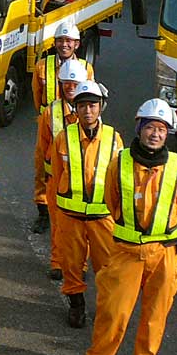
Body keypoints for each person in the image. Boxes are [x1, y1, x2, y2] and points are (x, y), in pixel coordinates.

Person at [67, 99, 177, 355]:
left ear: (167, 134)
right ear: (139, 128)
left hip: (165, 252)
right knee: (113, 311)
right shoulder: (119, 162)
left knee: (155, 313)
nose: (155, 134)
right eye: (150, 127)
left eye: (161, 129)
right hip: (126, 251)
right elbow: (112, 200)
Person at [48, 81, 122, 328]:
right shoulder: (63, 138)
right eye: (82, 106)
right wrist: (58, 215)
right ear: (75, 109)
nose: (87, 111)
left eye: (92, 105)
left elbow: (119, 180)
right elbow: (56, 176)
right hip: (71, 217)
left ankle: (106, 307)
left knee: (107, 267)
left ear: (101, 107)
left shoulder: (114, 139)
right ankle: (76, 304)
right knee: (71, 265)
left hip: (102, 218)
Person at [32, 58, 88, 278]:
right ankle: (57, 262)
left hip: (83, 179)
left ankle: (80, 265)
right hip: (56, 177)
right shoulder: (50, 113)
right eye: (66, 83)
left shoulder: (89, 110)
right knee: (58, 223)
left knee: (83, 227)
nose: (70, 88)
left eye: (75, 84)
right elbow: (41, 148)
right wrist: (42, 177)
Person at [32, 19, 94, 112]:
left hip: (75, 121)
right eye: (60, 40)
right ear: (55, 43)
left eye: (68, 41)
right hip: (49, 121)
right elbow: (37, 95)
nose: (64, 44)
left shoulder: (86, 68)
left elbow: (89, 97)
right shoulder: (42, 66)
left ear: (76, 44)